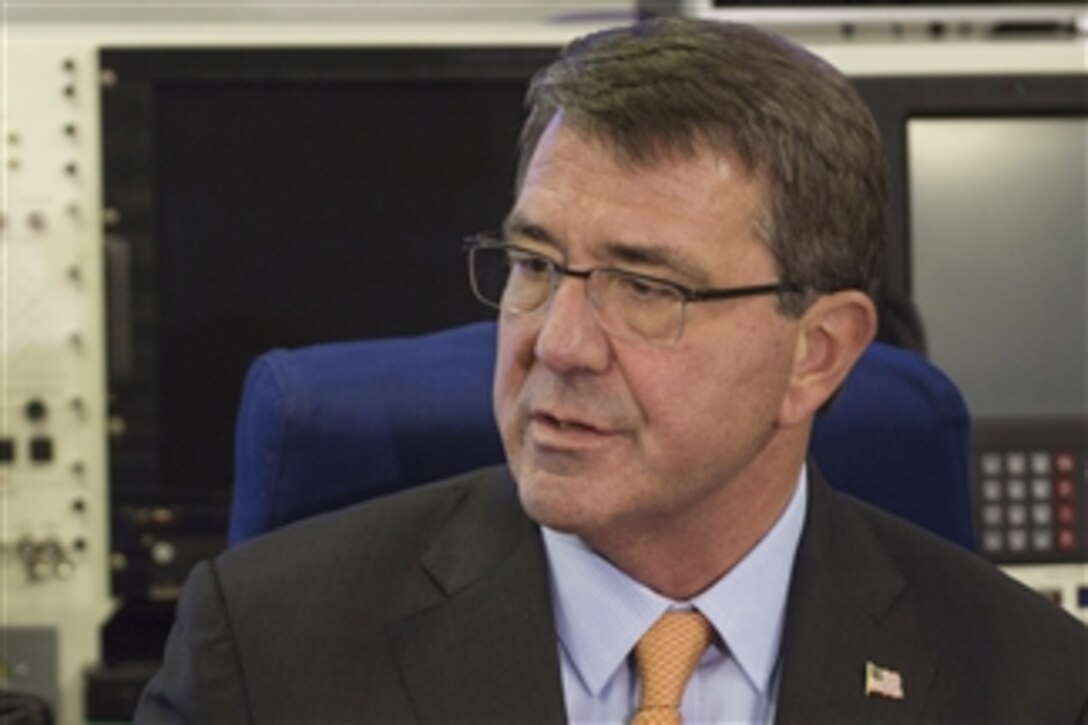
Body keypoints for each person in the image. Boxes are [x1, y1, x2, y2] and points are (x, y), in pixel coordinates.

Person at [135, 17, 1087, 724]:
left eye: (645, 287)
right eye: (536, 265)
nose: (558, 343)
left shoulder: (1028, 684)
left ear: (818, 351)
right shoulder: (265, 654)